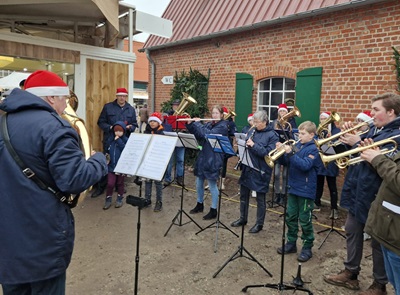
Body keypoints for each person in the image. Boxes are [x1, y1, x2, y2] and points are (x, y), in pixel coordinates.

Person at [0, 70, 107, 295]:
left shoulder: (3, 122)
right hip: (42, 242)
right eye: (64, 99)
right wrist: (98, 160)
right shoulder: (55, 127)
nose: (65, 105)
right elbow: (75, 180)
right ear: (51, 98)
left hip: (7, 244)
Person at [324, 93, 400, 294]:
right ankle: (351, 272)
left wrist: (358, 142)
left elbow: (385, 165)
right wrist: (346, 140)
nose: (372, 113)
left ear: (391, 112)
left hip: (376, 195)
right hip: (358, 190)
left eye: (376, 110)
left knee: (378, 242)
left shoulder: (397, 135)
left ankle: (379, 284)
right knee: (352, 230)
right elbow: (355, 156)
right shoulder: (375, 128)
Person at [276, 121, 320, 262]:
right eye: (299, 133)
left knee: (305, 220)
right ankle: (291, 243)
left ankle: (307, 247)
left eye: (303, 134)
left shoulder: (314, 149)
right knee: (290, 217)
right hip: (293, 187)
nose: (299, 136)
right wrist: (282, 153)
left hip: (306, 189)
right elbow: (287, 162)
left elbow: (305, 165)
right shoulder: (298, 145)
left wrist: (291, 153)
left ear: (312, 135)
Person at [361, 139, 400, 295]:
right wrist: (373, 158)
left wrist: (378, 159)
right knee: (394, 281)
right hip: (389, 228)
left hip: (396, 233)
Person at [230, 110, 279, 233]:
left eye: (257, 122)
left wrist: (253, 145)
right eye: (254, 121)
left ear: (265, 122)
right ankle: (243, 218)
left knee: (260, 199)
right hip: (248, 167)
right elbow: (247, 146)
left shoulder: (273, 135)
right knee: (243, 195)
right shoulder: (252, 131)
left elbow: (267, 153)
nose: (254, 124)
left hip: (261, 170)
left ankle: (259, 223)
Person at [91, 87, 137, 198]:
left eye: (124, 96)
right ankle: (101, 187)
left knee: (122, 163)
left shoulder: (130, 109)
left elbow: (135, 124)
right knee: (106, 163)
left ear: (126, 97)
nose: (122, 98)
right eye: (120, 96)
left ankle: (119, 186)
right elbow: (100, 122)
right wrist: (111, 127)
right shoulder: (108, 107)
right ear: (116, 96)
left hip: (123, 142)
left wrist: (130, 127)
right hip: (110, 141)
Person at [187, 106, 229, 220]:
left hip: (214, 158)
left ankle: (213, 209)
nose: (214, 115)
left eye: (216, 113)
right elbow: (199, 134)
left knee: (212, 185)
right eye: (213, 113)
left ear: (221, 115)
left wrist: (197, 124)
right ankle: (199, 204)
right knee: (198, 182)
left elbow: (208, 134)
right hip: (203, 156)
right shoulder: (209, 124)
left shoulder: (223, 126)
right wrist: (190, 124)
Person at [314, 111, 341, 219]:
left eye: (325, 119)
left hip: (331, 162)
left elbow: (335, 147)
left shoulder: (336, 131)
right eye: (321, 119)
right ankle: (317, 202)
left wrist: (327, 141)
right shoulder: (319, 130)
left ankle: (334, 208)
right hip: (321, 160)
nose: (322, 121)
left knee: (332, 186)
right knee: (319, 183)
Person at [272, 103, 298, 206]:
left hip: (287, 150)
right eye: (281, 111)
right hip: (278, 150)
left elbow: (294, 137)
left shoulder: (292, 122)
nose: (282, 113)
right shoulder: (275, 122)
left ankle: (283, 195)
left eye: (284, 111)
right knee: (277, 174)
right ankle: (277, 193)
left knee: (285, 175)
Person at [103, 121, 128, 210]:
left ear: (123, 131)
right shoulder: (111, 140)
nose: (118, 133)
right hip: (111, 167)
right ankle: (108, 198)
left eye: (120, 131)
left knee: (120, 183)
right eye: (116, 131)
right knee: (110, 183)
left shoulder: (125, 140)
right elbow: (107, 150)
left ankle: (119, 198)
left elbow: (125, 150)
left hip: (121, 167)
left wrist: (118, 140)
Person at [144, 112, 166, 212]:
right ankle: (147, 199)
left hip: (158, 160)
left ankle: (159, 201)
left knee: (158, 182)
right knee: (148, 181)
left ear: (158, 123)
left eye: (154, 121)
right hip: (148, 159)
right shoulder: (146, 132)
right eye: (151, 121)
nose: (152, 123)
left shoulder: (162, 133)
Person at [164, 99, 185, 186]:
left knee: (180, 160)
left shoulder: (184, 116)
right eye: (174, 105)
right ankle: (167, 179)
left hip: (180, 139)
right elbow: (165, 127)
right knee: (169, 161)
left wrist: (185, 127)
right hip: (171, 139)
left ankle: (179, 178)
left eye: (178, 105)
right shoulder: (168, 115)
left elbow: (187, 127)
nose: (176, 107)